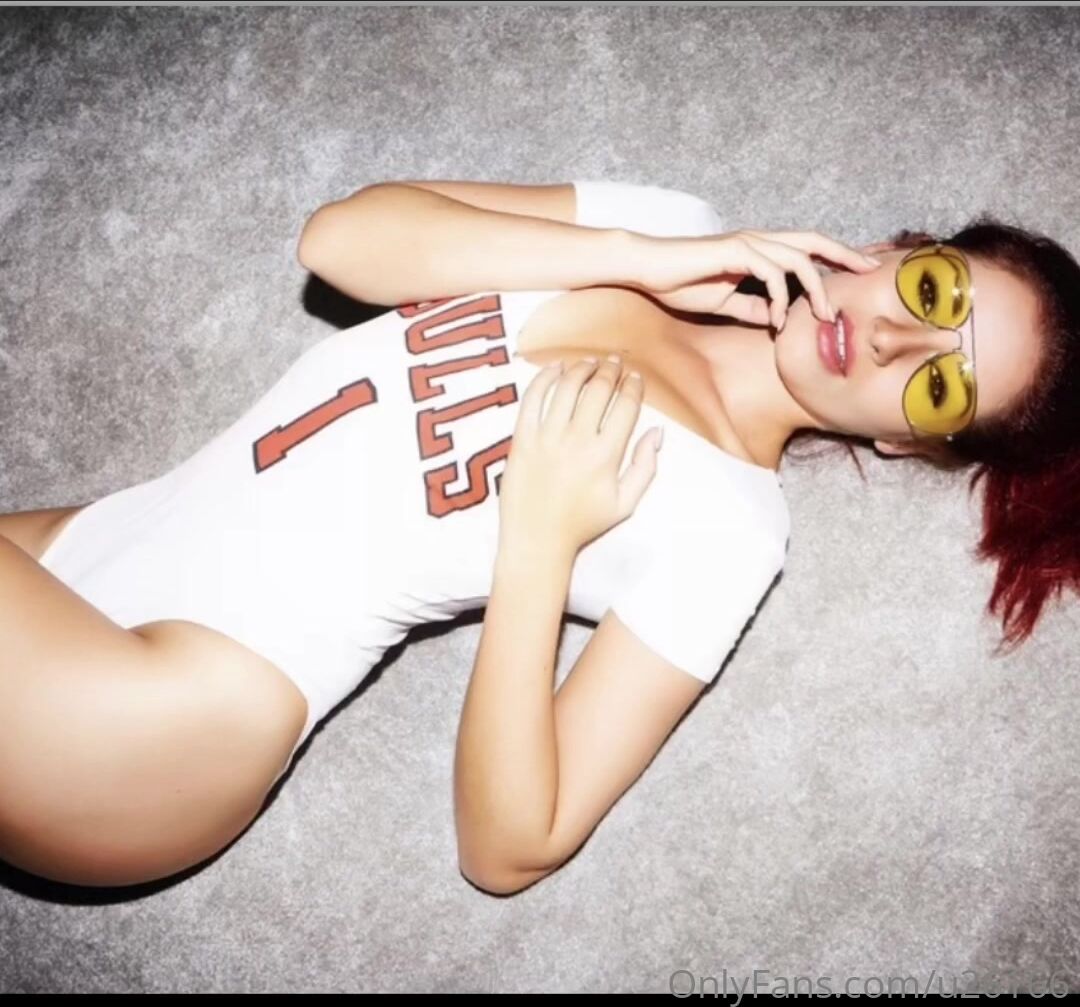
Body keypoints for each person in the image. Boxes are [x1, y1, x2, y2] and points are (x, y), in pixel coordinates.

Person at [1, 179, 1077, 896]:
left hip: (182, 716)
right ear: (893, 252)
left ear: (907, 440)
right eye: (930, 291)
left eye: (938, 385)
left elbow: (513, 844)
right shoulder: (664, 225)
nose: (890, 339)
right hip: (96, 543)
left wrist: (538, 544)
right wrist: (637, 255)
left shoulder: (733, 532)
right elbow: (341, 241)